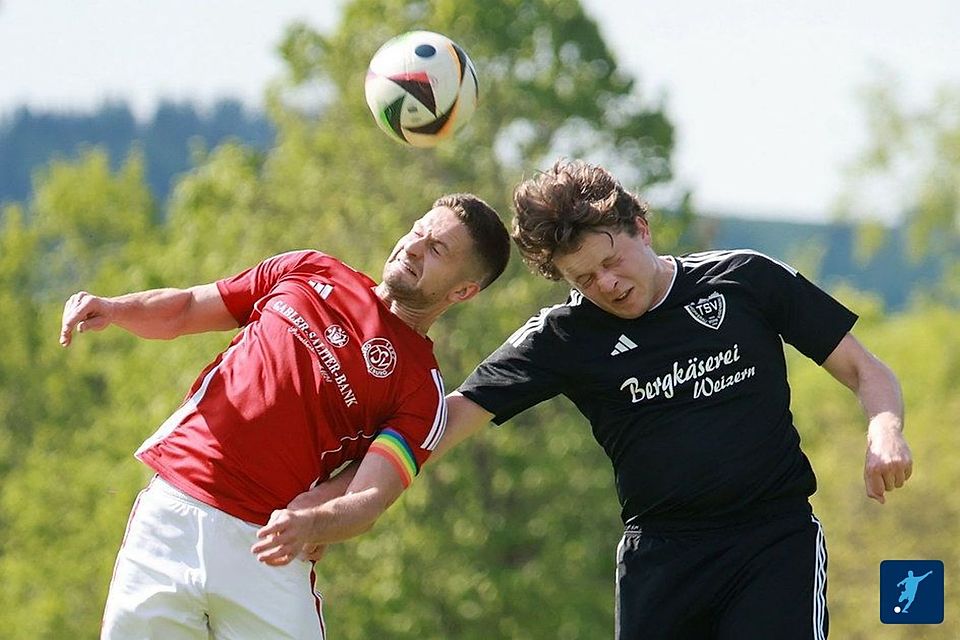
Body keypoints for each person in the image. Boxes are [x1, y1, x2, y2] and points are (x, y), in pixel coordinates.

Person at [438, 159, 914, 639]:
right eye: (583, 279)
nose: (606, 284)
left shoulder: (745, 279)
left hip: (773, 543)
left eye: (610, 262)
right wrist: (381, 464)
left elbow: (865, 370)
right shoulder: (563, 336)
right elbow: (449, 417)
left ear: (641, 229)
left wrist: (884, 429)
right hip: (659, 561)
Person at [58, 193, 511, 640]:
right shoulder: (310, 269)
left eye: (437, 249)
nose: (413, 247)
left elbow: (369, 499)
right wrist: (115, 309)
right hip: (172, 516)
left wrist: (313, 524)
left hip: (270, 544)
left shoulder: (421, 390)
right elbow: (186, 309)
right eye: (417, 231)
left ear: (462, 291)